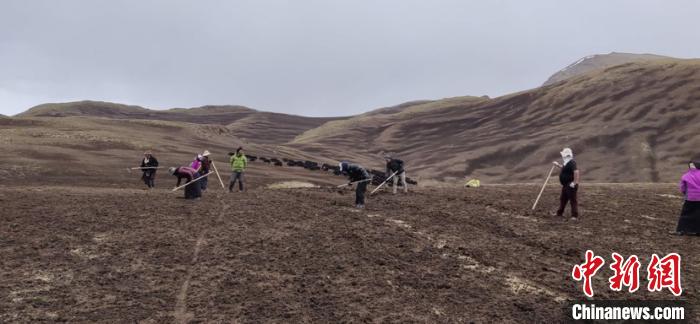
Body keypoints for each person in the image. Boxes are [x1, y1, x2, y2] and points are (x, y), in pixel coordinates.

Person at [674, 160, 700, 235]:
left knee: (686, 214)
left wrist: (685, 193)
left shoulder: (686, 175)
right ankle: (698, 231)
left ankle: (682, 230)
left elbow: (682, 187)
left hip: (690, 198)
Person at [553, 147, 580, 220]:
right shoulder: (567, 162)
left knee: (572, 200)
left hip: (571, 185)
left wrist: (574, 182)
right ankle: (559, 213)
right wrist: (558, 165)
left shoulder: (572, 162)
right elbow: (564, 168)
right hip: (565, 185)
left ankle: (574, 215)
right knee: (563, 199)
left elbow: (576, 172)